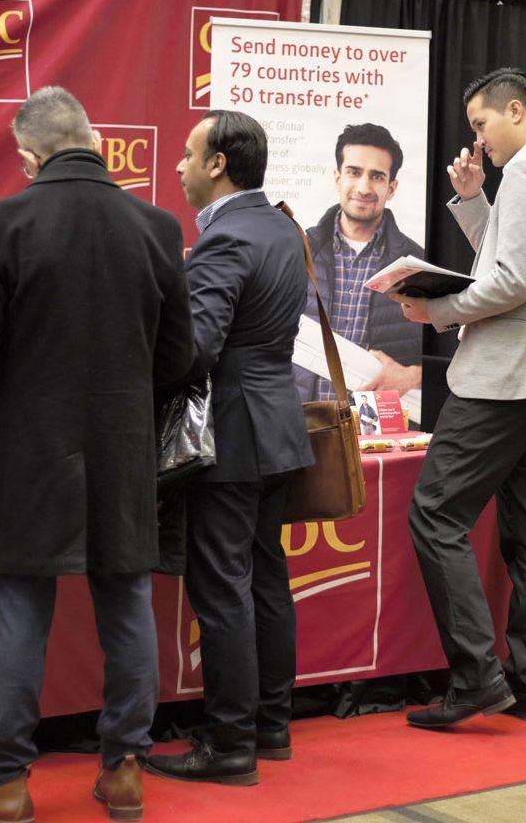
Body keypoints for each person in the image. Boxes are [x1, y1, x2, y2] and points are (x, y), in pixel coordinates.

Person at [0, 86, 193, 823]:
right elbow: (179, 358)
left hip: (24, 453)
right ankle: (126, 769)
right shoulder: (157, 226)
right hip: (123, 449)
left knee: (21, 611)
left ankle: (6, 781)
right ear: (95, 139)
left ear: (27, 156)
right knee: (127, 606)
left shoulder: (2, 222)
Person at [394, 68, 526, 729]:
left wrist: (436, 311)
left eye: (481, 124)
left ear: (514, 110)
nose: (477, 140)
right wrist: (474, 201)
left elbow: (509, 282)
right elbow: (512, 261)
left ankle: (477, 677)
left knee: (435, 514)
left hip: (506, 379)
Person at [146, 111, 314, 785]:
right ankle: (270, 727)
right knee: (266, 581)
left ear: (217, 164)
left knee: (222, 590)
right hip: (277, 429)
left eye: (188, 154)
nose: (178, 166)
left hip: (232, 435)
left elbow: (196, 350)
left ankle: (229, 744)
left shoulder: (226, 238)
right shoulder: (282, 227)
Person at [294, 123, 425, 402]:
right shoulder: (297, 252)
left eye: (377, 176)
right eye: (354, 172)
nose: (364, 187)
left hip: (378, 424)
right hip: (305, 420)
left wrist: (415, 375)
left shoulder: (418, 265)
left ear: (392, 188)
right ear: (337, 178)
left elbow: (453, 354)